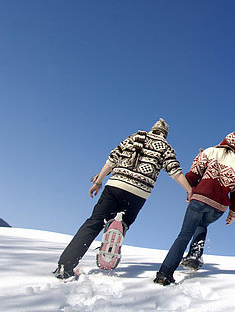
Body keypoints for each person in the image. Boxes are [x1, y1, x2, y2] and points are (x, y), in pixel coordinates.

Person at [54, 119, 193, 280]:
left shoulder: (135, 137)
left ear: (153, 129)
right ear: (165, 134)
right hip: (138, 193)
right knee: (124, 223)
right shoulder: (166, 148)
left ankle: (66, 265)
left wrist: (98, 182)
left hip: (115, 185)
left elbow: (112, 159)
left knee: (94, 223)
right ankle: (118, 230)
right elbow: (174, 171)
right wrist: (189, 190)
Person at [154, 131, 235, 285]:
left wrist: (189, 189)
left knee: (184, 235)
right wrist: (233, 213)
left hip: (200, 199)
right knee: (202, 224)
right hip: (219, 208)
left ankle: (165, 273)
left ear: (224, 140)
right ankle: (195, 254)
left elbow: (193, 174)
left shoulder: (210, 151)